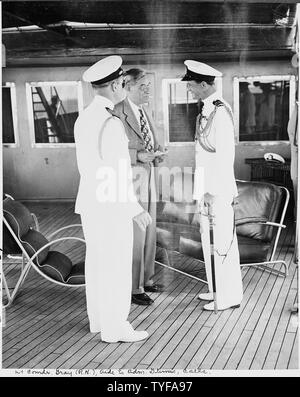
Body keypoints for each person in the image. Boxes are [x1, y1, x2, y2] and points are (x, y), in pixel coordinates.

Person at [74, 56, 151, 342]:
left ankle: (98, 320)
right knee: (117, 267)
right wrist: (134, 208)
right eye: (123, 83)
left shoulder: (84, 118)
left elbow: (93, 168)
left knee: (97, 265)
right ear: (117, 84)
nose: (124, 87)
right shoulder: (110, 122)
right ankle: (115, 327)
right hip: (111, 206)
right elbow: (116, 172)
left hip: (91, 205)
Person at [182, 60, 243, 311]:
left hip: (216, 191)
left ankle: (229, 296)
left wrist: (211, 190)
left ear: (205, 84)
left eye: (192, 86)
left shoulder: (220, 110)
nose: (190, 90)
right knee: (209, 241)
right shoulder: (207, 108)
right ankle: (216, 288)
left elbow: (224, 156)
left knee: (222, 243)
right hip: (207, 190)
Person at [114, 68, 166, 306]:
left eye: (149, 86)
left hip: (149, 177)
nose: (148, 91)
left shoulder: (144, 111)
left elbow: (151, 140)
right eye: (143, 86)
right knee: (136, 234)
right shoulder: (117, 113)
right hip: (131, 181)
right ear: (128, 86)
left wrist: (156, 154)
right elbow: (110, 150)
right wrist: (137, 156)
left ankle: (146, 279)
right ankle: (134, 288)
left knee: (150, 230)